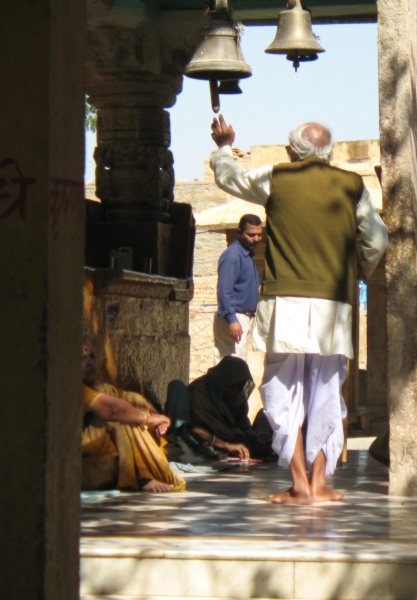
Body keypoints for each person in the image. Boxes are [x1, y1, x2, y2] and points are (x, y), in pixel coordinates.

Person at [208, 116, 389, 504]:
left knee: (282, 391)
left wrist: (225, 146)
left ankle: (299, 485)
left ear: (292, 151)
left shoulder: (278, 177)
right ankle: (320, 484)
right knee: (326, 391)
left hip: (284, 304)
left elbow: (229, 178)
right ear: (330, 153)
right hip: (333, 305)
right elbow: (377, 238)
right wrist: (359, 269)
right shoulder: (352, 185)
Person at [82, 341, 186, 493]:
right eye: (82, 358)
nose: (90, 362)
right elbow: (113, 409)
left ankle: (147, 472)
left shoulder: (99, 387)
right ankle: (142, 476)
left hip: (104, 463)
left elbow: (131, 399)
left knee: (132, 402)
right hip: (82, 468)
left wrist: (156, 417)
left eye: (92, 356)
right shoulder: (71, 388)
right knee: (121, 418)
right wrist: (147, 419)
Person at [165, 356, 273, 460]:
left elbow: (242, 425)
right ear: (224, 380)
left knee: (267, 441)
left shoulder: (237, 398)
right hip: (209, 442)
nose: (235, 391)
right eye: (232, 385)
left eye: (240, 386)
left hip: (233, 440)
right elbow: (195, 429)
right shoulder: (201, 392)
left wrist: (255, 436)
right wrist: (227, 446)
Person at [214, 213, 263, 363]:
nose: (256, 239)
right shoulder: (233, 256)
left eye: (259, 235)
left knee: (236, 366)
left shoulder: (246, 255)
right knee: (230, 368)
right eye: (251, 235)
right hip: (234, 317)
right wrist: (232, 319)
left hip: (242, 316)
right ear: (239, 232)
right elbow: (224, 289)